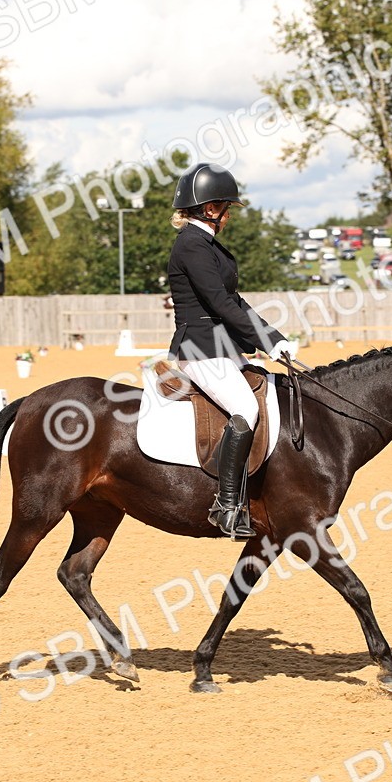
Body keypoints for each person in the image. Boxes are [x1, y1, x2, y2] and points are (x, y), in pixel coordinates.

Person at [167, 163, 295, 539]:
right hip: (200, 350)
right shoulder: (192, 245)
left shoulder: (207, 244)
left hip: (221, 348)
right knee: (246, 409)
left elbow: (236, 302)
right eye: (225, 207)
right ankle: (225, 505)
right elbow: (222, 305)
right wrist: (267, 342)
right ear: (210, 209)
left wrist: (276, 339)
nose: (228, 215)